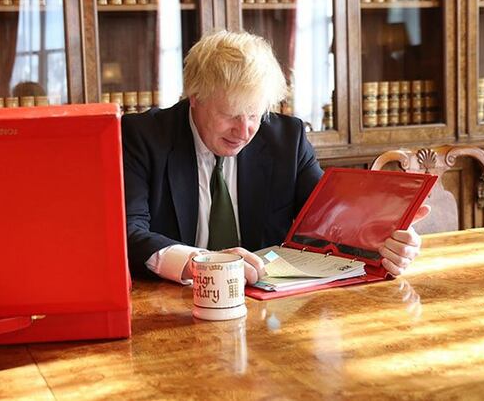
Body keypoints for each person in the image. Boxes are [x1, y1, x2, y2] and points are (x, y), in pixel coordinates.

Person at [121, 30, 428, 286]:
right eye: (230, 115)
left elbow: (329, 221)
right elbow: (130, 233)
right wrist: (203, 263)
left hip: (269, 304)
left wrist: (386, 242)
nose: (244, 131)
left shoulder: (286, 139)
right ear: (195, 97)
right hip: (174, 304)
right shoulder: (145, 137)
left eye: (255, 114)